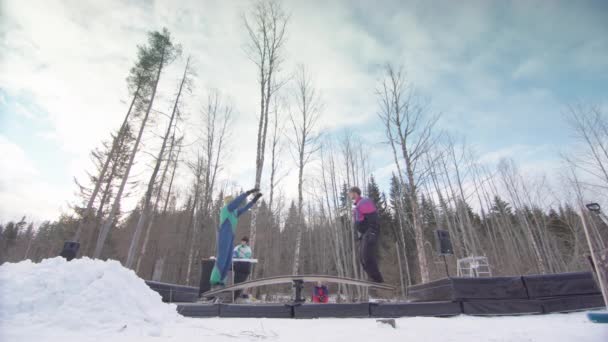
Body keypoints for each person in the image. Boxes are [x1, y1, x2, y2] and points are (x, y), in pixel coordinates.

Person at [210, 189, 262, 288]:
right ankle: (214, 279)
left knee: (228, 259)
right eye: (232, 201)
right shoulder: (227, 208)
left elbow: (245, 208)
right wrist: (247, 193)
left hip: (230, 236)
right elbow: (237, 202)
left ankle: (221, 281)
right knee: (222, 257)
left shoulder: (234, 212)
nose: (234, 203)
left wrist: (254, 200)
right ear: (229, 202)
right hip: (224, 235)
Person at [348, 186, 384, 283]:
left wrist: (372, 231)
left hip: (370, 231)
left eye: (350, 193)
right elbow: (362, 222)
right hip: (365, 234)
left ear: (355, 193)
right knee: (362, 259)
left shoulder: (364, 202)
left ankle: (378, 279)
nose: (349, 195)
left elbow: (373, 218)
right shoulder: (357, 206)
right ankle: (374, 279)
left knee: (367, 256)